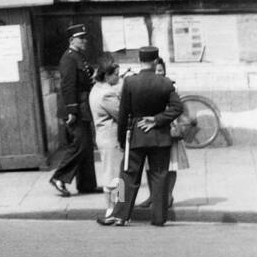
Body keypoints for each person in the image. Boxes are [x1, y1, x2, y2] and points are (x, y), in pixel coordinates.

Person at [98, 44, 183, 227]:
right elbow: (178, 108)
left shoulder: (130, 82)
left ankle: (119, 214)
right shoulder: (166, 82)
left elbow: (123, 114)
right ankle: (159, 218)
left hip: (136, 135)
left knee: (125, 177)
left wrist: (121, 139)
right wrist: (157, 119)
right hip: (160, 137)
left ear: (140, 60)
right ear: (155, 61)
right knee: (160, 176)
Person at [49, 24, 99, 197]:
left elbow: (83, 78)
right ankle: (59, 178)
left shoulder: (77, 56)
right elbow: (68, 85)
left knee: (86, 145)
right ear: (72, 40)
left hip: (82, 106)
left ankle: (87, 184)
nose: (84, 40)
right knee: (80, 144)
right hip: (76, 108)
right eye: (81, 38)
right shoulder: (69, 58)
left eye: (85, 37)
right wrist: (72, 110)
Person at [135, 57, 187, 218]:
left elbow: (177, 108)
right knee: (151, 167)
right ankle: (153, 196)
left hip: (167, 128)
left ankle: (168, 195)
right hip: (151, 131)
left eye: (161, 70)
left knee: (171, 165)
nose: (159, 73)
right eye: (156, 70)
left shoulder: (170, 86)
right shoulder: (145, 86)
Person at [89, 54, 123, 220]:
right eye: (116, 74)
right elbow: (121, 114)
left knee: (109, 173)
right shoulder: (107, 94)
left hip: (103, 137)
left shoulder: (96, 89)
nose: (118, 77)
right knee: (118, 176)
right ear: (107, 74)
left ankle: (112, 207)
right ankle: (116, 209)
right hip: (112, 138)